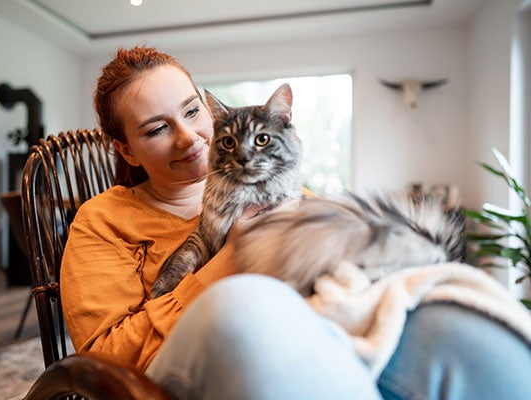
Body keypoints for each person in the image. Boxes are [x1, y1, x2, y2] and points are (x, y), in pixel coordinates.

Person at [60, 46, 531, 400]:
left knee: (450, 326)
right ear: (125, 149)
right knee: (243, 307)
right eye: (157, 128)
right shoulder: (102, 221)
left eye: (191, 111)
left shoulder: (294, 194)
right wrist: (225, 262)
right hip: (170, 376)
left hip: (313, 340)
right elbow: (101, 361)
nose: (189, 137)